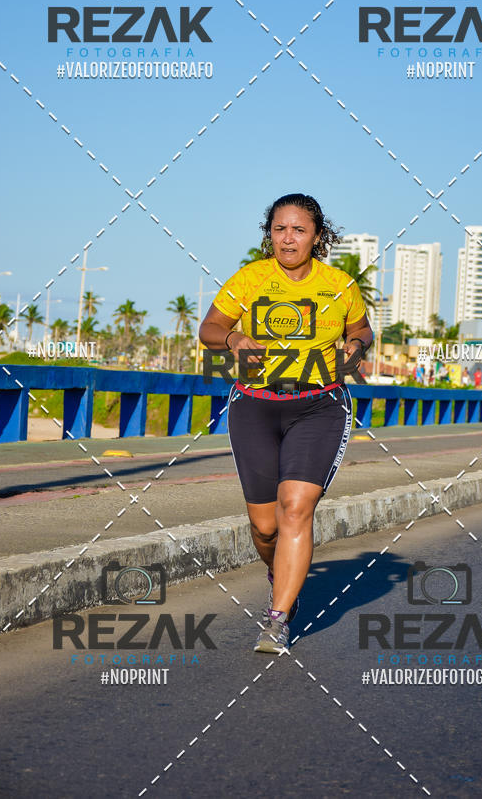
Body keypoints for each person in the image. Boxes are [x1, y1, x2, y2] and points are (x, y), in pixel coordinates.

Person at [199, 194, 373, 654]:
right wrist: (234, 336)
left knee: (295, 506)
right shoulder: (250, 278)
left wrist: (353, 350)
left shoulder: (339, 284)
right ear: (269, 233)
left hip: (320, 405)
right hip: (254, 405)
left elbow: (362, 330)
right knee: (265, 526)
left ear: (317, 235)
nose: (288, 238)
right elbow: (209, 329)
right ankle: (280, 572)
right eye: (279, 229)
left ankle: (278, 618)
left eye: (298, 229)